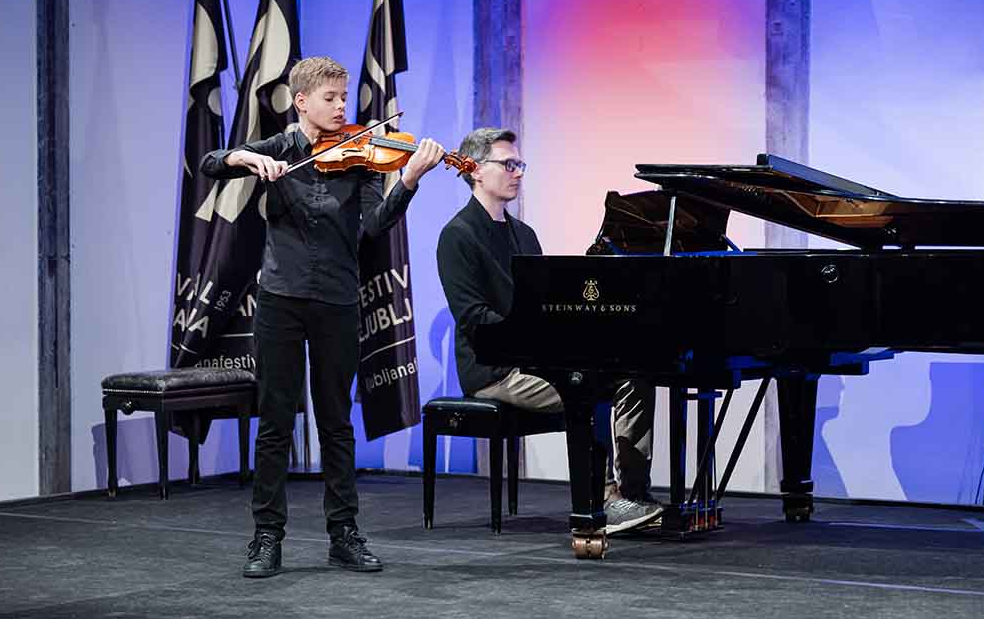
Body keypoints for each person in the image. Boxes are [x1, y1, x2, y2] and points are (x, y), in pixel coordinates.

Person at [201, 56, 445, 578]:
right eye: (330, 98)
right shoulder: (280, 148)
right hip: (281, 300)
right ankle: (267, 536)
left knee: (336, 421)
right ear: (301, 101)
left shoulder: (359, 156)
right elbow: (211, 162)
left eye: (343, 98)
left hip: (337, 300)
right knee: (275, 421)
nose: (340, 107)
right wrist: (246, 158)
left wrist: (408, 180)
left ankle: (344, 534)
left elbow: (374, 224)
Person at [435, 127, 662, 533]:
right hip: (493, 369)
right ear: (475, 171)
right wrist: (536, 340)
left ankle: (632, 495)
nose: (518, 173)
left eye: (519, 164)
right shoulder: (457, 235)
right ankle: (602, 499)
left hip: (533, 358)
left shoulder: (524, 234)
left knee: (635, 376)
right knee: (585, 387)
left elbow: (542, 304)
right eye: (508, 164)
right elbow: (473, 317)